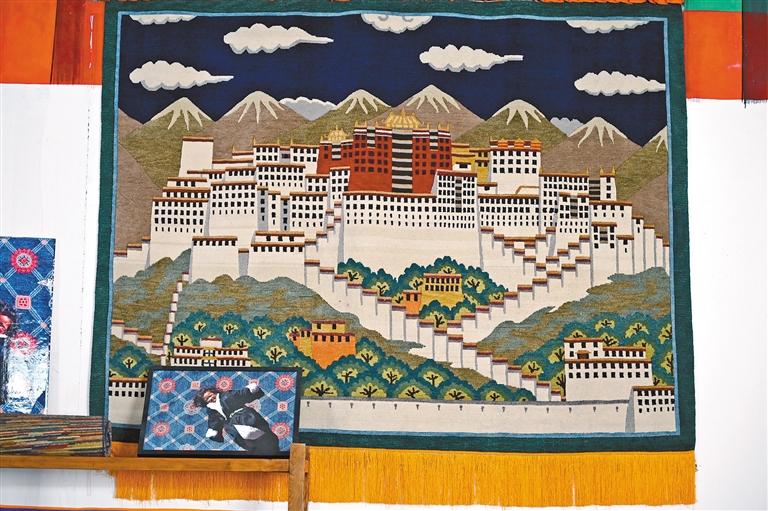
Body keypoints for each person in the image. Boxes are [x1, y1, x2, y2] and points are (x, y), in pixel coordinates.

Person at [192, 382, 280, 455]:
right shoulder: (212, 410)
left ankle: (266, 440)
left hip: (243, 415)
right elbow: (214, 421)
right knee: (243, 439)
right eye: (207, 399)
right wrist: (214, 430)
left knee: (259, 431)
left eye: (211, 395)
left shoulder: (227, 396)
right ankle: (256, 449)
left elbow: (239, 395)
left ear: (214, 392)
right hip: (231, 424)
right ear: (205, 402)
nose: (211, 398)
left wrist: (249, 390)